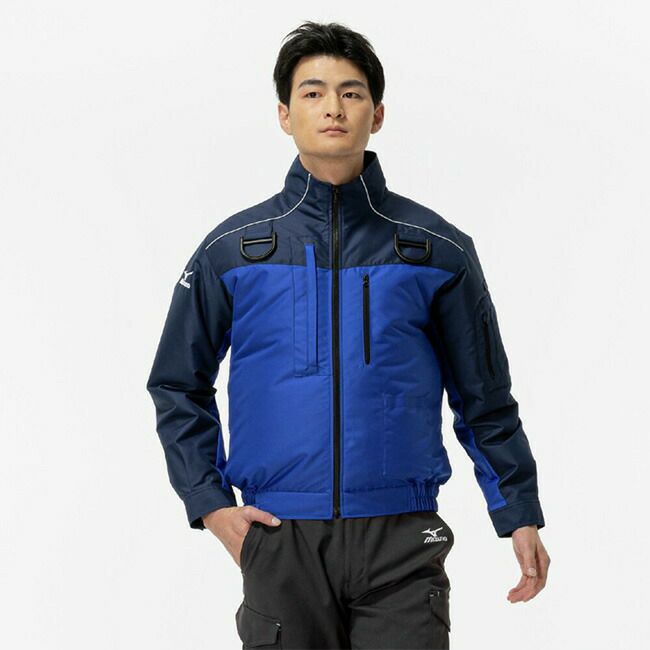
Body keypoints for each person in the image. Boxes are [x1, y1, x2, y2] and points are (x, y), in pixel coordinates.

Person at [146, 20, 550, 650]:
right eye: (312, 92)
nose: (332, 107)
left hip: (401, 535)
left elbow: (485, 398)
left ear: (377, 114)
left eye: (351, 92)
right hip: (279, 534)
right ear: (285, 114)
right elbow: (177, 385)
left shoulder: (438, 250)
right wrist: (210, 503)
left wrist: (518, 511)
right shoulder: (232, 251)